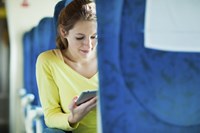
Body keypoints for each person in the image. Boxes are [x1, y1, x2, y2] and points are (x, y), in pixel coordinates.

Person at [36, 0, 98, 132]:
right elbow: (51, 115)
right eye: (80, 37)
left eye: (94, 36)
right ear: (64, 32)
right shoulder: (48, 61)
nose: (89, 46)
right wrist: (73, 118)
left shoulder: (110, 58)